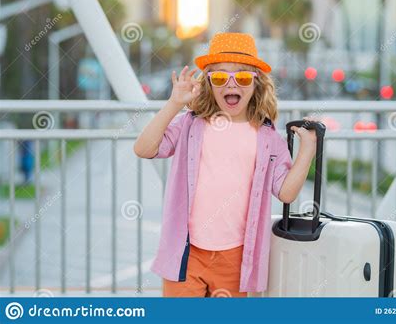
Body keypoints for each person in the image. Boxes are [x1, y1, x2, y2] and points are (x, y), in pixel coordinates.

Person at [134, 32, 317, 297]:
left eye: (242, 77)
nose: (231, 84)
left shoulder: (268, 139)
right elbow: (144, 148)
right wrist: (174, 104)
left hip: (235, 259)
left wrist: (307, 149)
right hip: (186, 254)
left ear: (256, 83)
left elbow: (286, 192)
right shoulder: (190, 124)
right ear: (208, 83)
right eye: (220, 77)